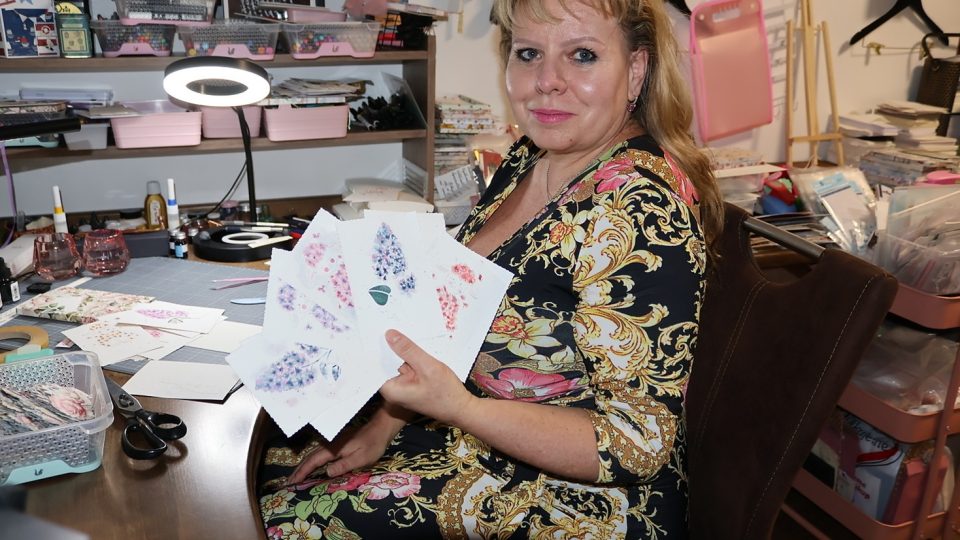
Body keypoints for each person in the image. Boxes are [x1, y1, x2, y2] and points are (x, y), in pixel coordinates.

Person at [256, 0, 723, 536]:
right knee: (261, 471)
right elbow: (451, 327)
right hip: (466, 439)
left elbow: (635, 444)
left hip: (576, 501)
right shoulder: (530, 158)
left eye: (583, 55)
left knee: (273, 522)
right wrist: (385, 425)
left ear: (636, 69)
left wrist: (458, 409)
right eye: (529, 54)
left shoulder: (640, 210)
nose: (547, 81)